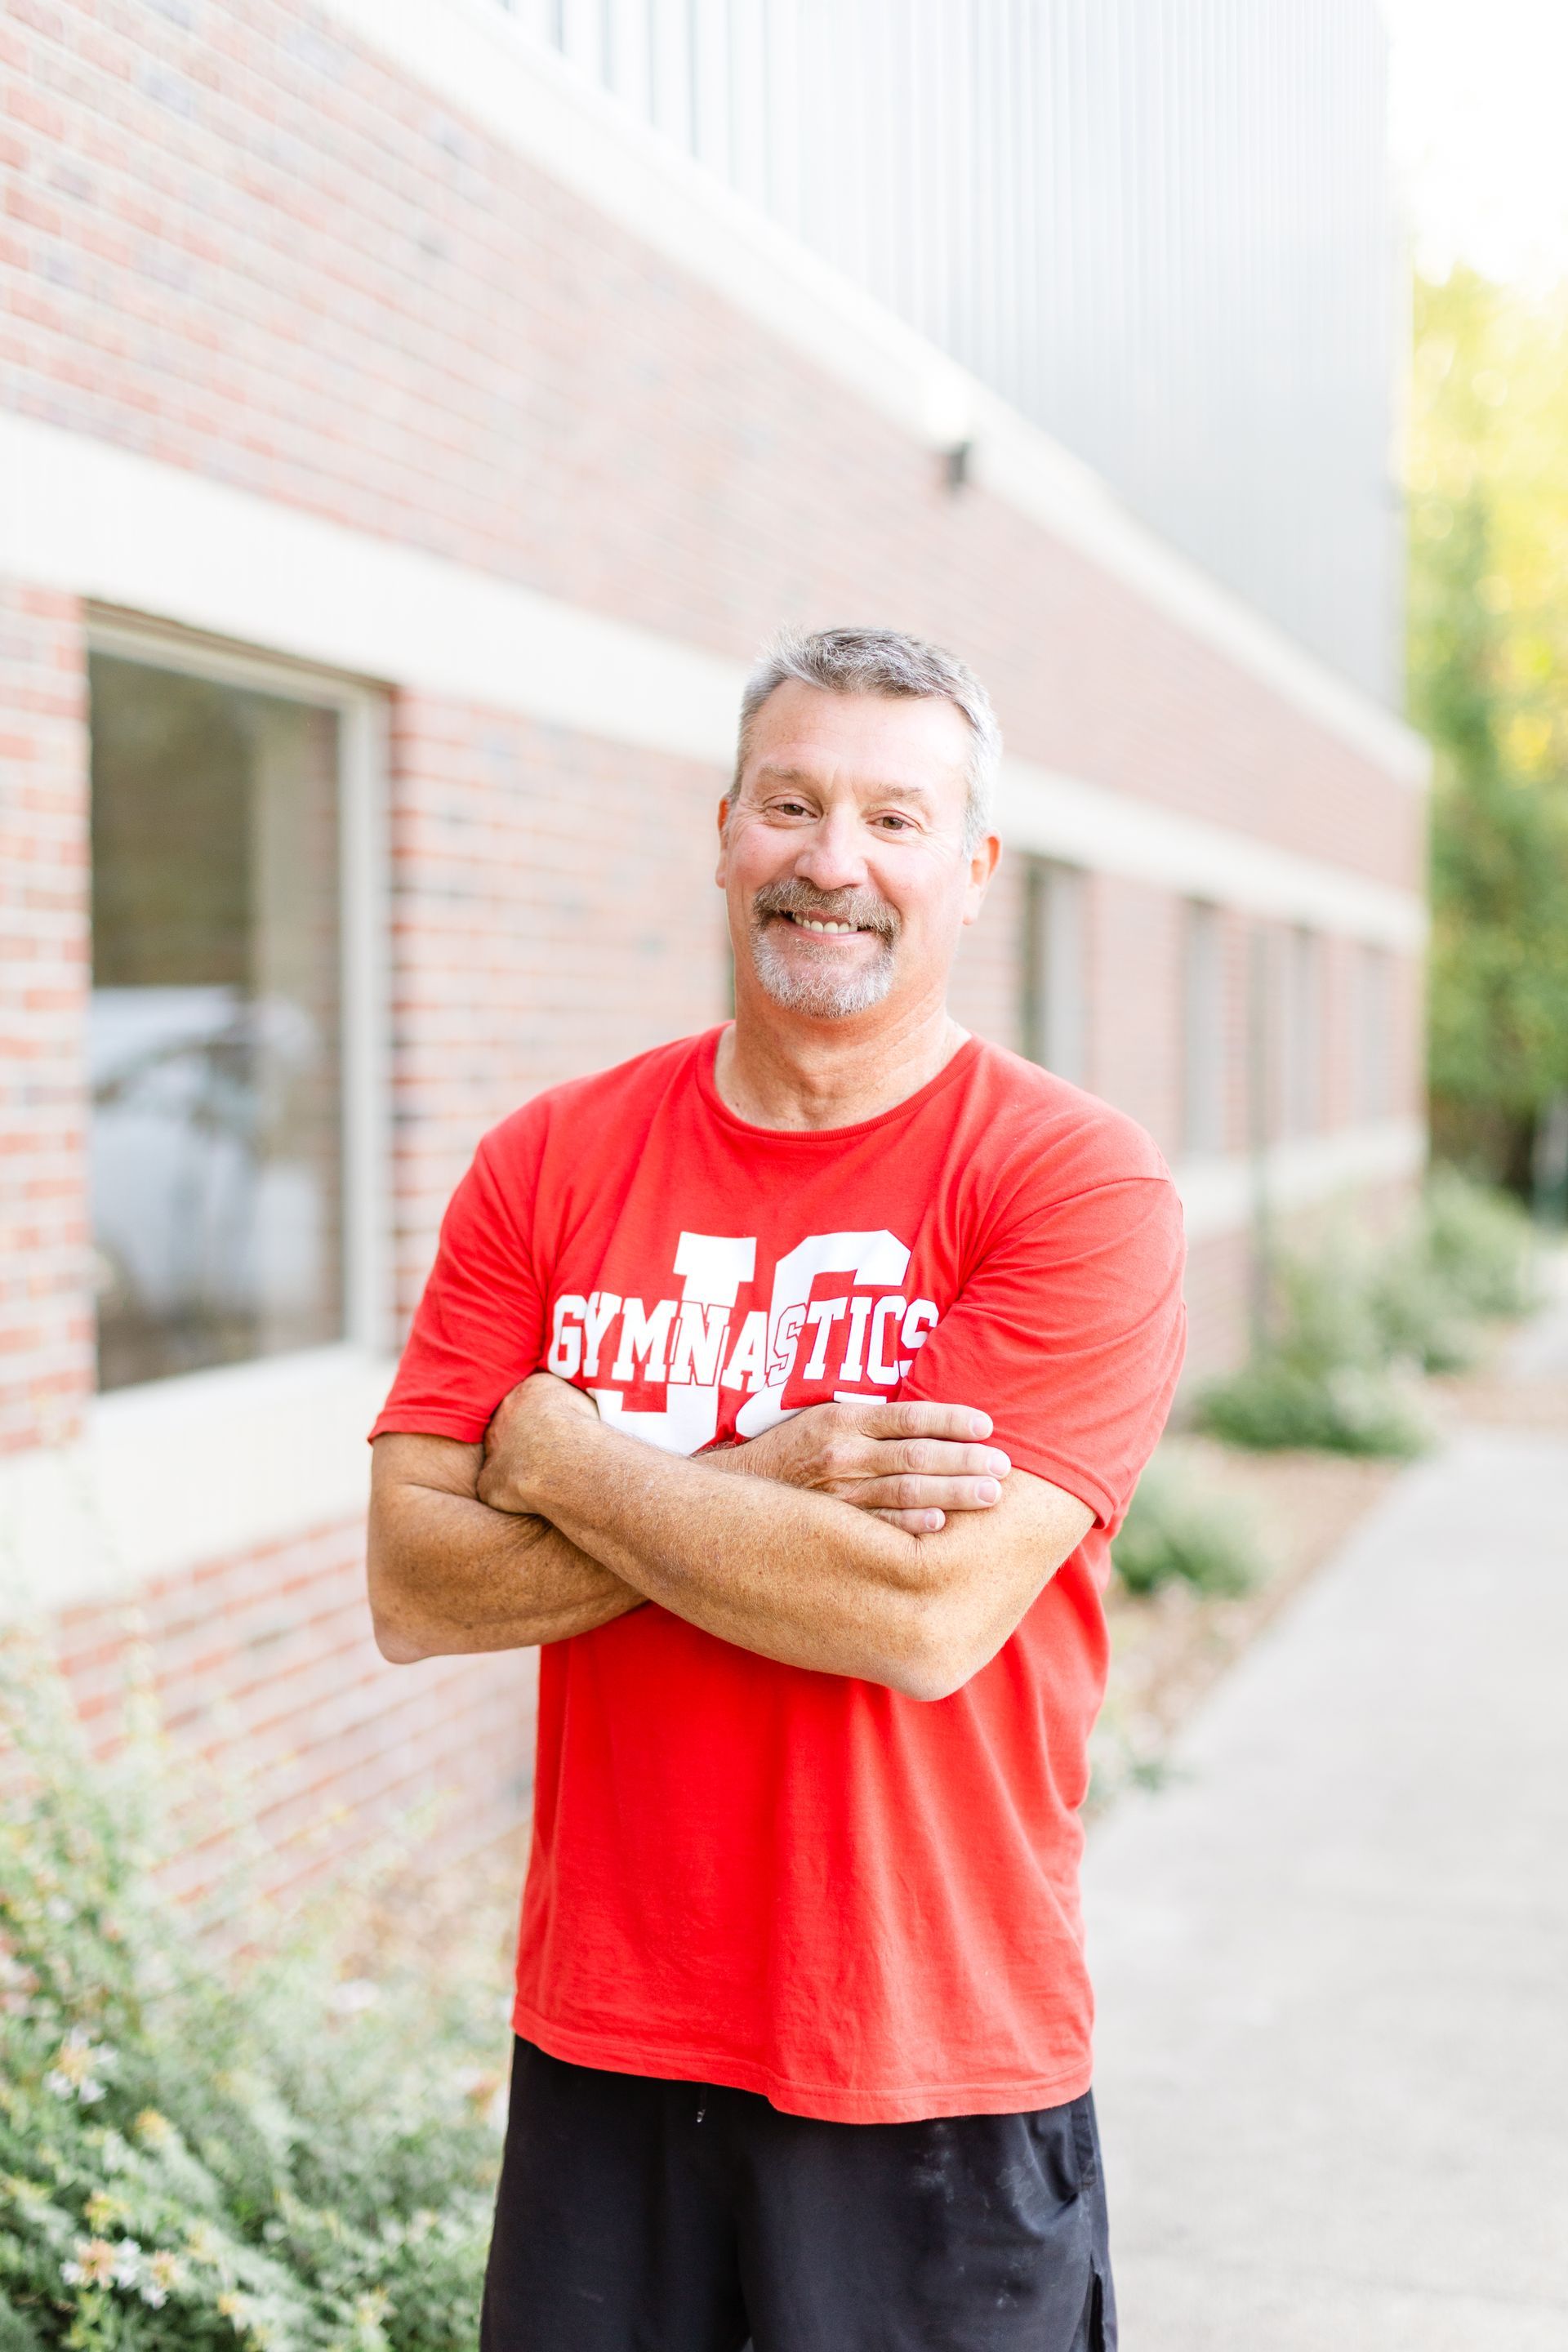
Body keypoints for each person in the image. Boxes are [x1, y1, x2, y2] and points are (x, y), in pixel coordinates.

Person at [367, 626, 1186, 2351]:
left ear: (969, 871)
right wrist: (764, 1477)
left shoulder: (1067, 1183)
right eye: (793, 805)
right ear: (725, 829)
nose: (835, 862)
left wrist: (569, 1453)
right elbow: (416, 1583)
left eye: (895, 821)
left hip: (931, 2051)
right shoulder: (552, 1159)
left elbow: (918, 1613)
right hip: (604, 2044)